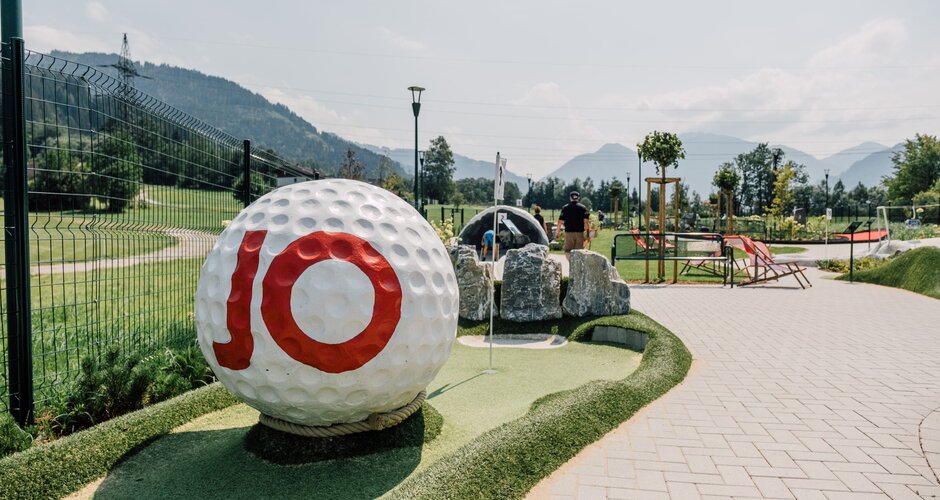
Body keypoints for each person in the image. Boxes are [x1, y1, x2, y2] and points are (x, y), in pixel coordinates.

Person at [555, 191, 589, 260]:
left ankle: (571, 264)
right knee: (579, 252)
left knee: (568, 251)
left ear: (570, 198)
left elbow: (560, 221)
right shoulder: (583, 208)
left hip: (569, 233)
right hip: (580, 233)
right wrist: (588, 234)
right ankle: (576, 267)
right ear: (578, 198)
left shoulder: (565, 208)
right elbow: (586, 222)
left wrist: (557, 232)